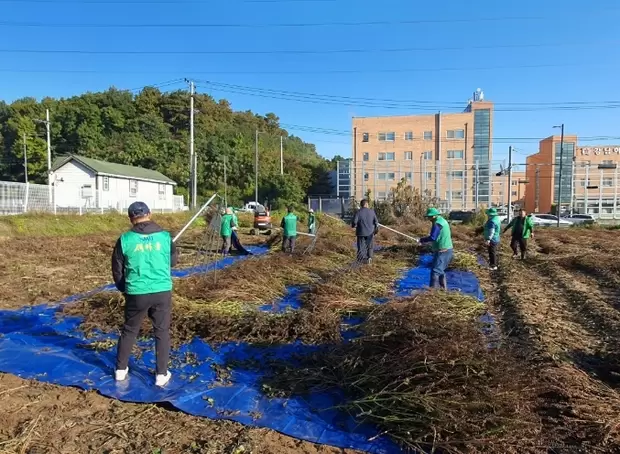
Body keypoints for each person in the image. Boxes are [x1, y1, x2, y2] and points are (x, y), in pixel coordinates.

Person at [112, 201, 178, 387]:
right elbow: (172, 262)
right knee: (162, 331)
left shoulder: (125, 240)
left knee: (130, 330)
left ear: (131, 218)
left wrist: (124, 289)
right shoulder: (165, 237)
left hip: (136, 292)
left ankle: (120, 370)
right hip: (161, 291)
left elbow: (117, 270)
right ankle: (161, 374)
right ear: (149, 214)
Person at [418, 207, 453, 290]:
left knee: (435, 271)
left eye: (429, 217)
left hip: (443, 250)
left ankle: (432, 291)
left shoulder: (437, 223)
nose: (428, 218)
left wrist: (421, 240)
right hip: (446, 249)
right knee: (440, 270)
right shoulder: (442, 220)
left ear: (433, 216)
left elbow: (433, 237)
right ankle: (443, 289)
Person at [351, 199, 379, 264]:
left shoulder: (358, 212)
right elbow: (376, 222)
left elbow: (354, 222)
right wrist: (376, 230)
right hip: (370, 233)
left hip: (361, 233)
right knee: (370, 246)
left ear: (361, 205)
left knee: (361, 247)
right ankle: (369, 258)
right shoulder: (372, 212)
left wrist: (354, 225)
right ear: (366, 204)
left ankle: (360, 260)